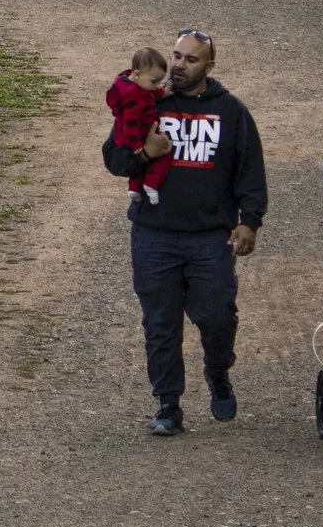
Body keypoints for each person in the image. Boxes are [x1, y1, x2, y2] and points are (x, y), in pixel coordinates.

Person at [101, 27, 266, 436]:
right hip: (154, 233)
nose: (178, 65)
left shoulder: (230, 111)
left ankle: (217, 369)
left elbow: (251, 171)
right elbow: (115, 159)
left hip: (210, 236)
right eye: (176, 56)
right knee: (160, 321)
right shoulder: (147, 103)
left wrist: (249, 222)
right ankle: (168, 404)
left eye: (190, 59)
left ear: (209, 66)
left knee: (216, 315)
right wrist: (144, 154)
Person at [104, 46, 173, 207]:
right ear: (136, 74)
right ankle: (150, 184)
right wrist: (138, 147)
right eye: (154, 81)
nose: (156, 85)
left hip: (137, 136)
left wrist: (162, 92)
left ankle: (135, 189)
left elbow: (151, 92)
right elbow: (130, 124)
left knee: (140, 165)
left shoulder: (139, 88)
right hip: (132, 138)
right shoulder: (132, 100)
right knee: (160, 158)